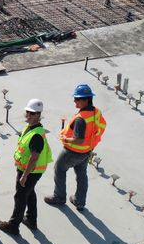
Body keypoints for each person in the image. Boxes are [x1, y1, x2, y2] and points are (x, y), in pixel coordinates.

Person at [45, 84, 107, 212]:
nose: (74, 101)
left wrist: (65, 139)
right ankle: (80, 201)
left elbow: (78, 140)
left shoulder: (80, 119)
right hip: (87, 151)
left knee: (59, 169)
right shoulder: (95, 112)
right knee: (81, 175)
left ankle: (59, 197)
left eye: (77, 99)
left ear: (86, 100)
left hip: (73, 152)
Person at [0, 99, 53, 235]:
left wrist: (24, 176)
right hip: (28, 170)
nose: (28, 115)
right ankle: (31, 219)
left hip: (30, 171)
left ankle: (13, 225)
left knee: (20, 196)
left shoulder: (36, 135)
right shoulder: (30, 128)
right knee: (29, 193)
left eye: (32, 113)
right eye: (28, 112)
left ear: (38, 115)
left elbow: (34, 158)